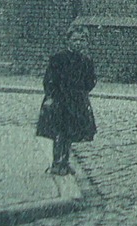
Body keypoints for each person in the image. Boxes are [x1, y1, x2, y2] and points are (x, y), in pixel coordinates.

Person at [39, 24, 97, 175]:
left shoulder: (86, 61)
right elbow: (49, 79)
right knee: (59, 132)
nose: (78, 43)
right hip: (60, 100)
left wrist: (81, 92)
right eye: (75, 40)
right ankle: (57, 162)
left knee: (70, 133)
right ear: (69, 41)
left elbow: (90, 81)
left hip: (76, 101)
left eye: (82, 40)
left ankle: (65, 161)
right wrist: (51, 96)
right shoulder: (59, 58)